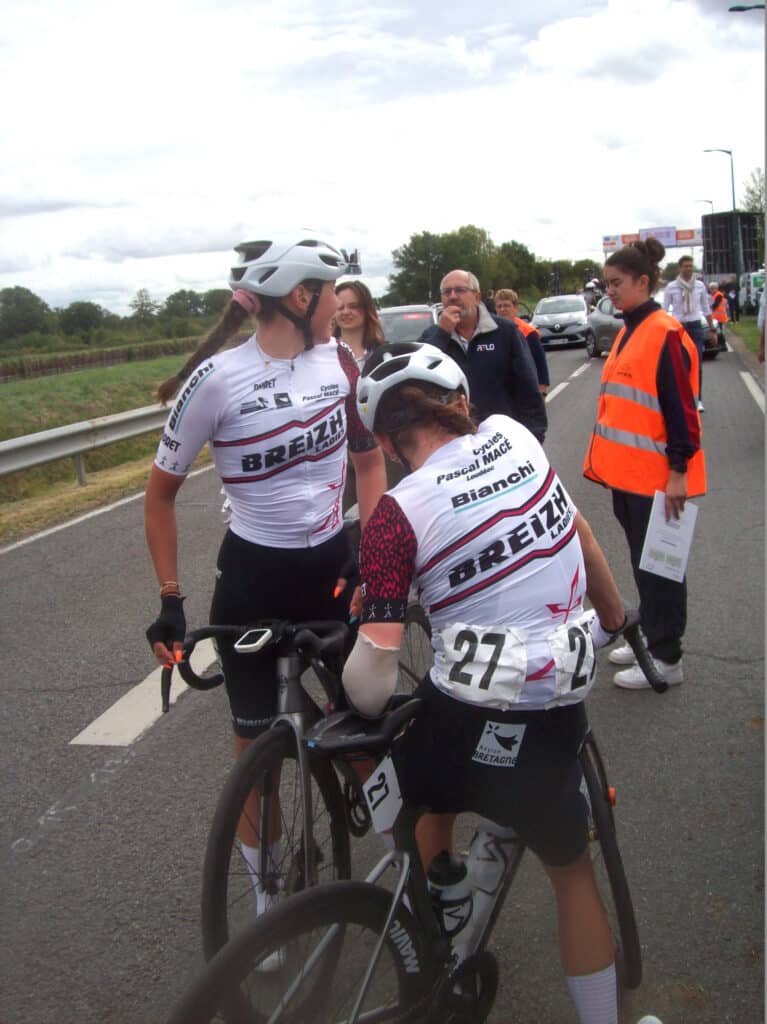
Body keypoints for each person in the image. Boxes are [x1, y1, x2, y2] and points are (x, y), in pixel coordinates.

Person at [343, 341, 635, 1024]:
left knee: (410, 750)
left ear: (384, 440)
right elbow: (579, 533)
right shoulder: (515, 437)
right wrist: (615, 618)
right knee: (572, 876)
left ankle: (439, 905)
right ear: (462, 402)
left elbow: (372, 683)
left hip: (458, 726)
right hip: (550, 713)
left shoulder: (394, 514)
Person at [144, 235, 387, 912]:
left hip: (330, 571)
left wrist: (370, 550)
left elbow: (369, 463)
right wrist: (170, 600)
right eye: (332, 296)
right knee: (255, 758)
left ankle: (416, 864)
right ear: (300, 298)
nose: (341, 308)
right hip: (252, 580)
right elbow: (159, 497)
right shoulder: (217, 380)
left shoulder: (341, 362)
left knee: (362, 723)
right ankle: (267, 899)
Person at [583, 238, 706, 689]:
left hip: (657, 481)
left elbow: (682, 412)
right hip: (630, 480)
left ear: (643, 282)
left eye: (617, 283)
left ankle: (667, 658)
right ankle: (653, 635)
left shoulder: (663, 332)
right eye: (607, 283)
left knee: (661, 570)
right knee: (644, 565)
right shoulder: (631, 329)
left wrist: (678, 473)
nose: (610, 291)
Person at [418, 269, 547, 442]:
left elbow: (528, 388)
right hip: (454, 443)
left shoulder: (505, 332)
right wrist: (442, 334)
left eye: (460, 290)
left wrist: (534, 436)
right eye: (447, 292)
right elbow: (419, 381)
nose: (453, 296)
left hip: (503, 440)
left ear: (477, 297)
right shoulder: (431, 337)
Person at [662, 255, 715, 412]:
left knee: (696, 363)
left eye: (690, 266)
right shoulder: (671, 287)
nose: (688, 269)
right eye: (685, 266)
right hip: (678, 328)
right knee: (680, 365)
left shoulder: (699, 286)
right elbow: (664, 310)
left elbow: (706, 309)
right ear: (680, 268)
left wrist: (712, 329)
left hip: (695, 327)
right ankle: (681, 399)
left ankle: (698, 399)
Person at [494, 287, 550, 395]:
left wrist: (542, 389)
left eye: (506, 305)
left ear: (516, 308)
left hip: (525, 389)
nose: (502, 309)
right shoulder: (489, 331)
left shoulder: (528, 332)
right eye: (499, 306)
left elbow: (540, 362)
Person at [333, 279, 385, 371]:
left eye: (353, 306)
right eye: (340, 307)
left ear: (367, 309)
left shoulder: (384, 354)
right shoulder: (324, 353)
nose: (346, 312)